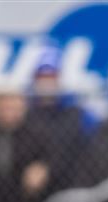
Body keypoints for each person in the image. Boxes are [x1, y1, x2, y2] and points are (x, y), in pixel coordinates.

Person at [24, 48, 96, 194]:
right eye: (42, 77)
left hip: (71, 187)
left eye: (51, 77)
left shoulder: (76, 113)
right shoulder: (26, 115)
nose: (46, 83)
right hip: (35, 194)